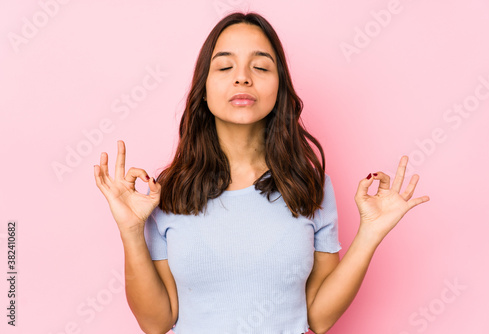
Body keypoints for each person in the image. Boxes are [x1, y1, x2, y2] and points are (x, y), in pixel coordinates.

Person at [93, 12, 430, 334]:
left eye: (260, 66)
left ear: (279, 87)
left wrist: (370, 233)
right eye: (225, 66)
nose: (243, 77)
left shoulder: (309, 186)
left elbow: (319, 317)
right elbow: (156, 322)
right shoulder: (169, 192)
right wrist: (132, 230)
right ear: (204, 90)